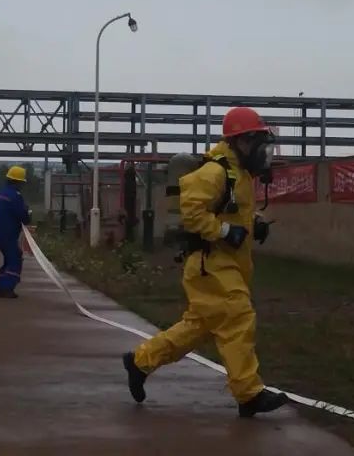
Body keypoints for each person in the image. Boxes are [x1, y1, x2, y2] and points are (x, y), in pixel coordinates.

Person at [122, 107, 287, 418]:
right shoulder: (215, 172)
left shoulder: (240, 175)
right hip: (211, 264)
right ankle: (249, 394)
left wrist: (254, 223)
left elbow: (231, 211)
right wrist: (223, 231)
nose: (261, 152)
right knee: (238, 317)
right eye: (256, 142)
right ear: (241, 141)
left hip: (226, 263)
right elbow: (192, 212)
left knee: (197, 328)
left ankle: (139, 362)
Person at [0, 166, 31, 299]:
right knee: (15, 259)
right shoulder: (15, 196)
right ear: (18, 182)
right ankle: (6, 288)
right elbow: (22, 215)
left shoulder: (1, 193)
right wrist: (27, 213)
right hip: (7, 234)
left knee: (9, 259)